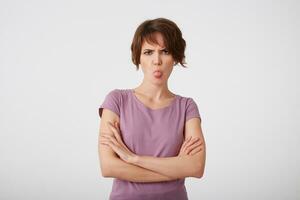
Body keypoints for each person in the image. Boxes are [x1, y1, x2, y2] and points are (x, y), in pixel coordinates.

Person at [98, 17, 206, 200]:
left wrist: (133, 159)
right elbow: (108, 167)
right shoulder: (116, 101)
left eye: (165, 51)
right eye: (148, 52)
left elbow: (196, 167)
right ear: (138, 57)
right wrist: (176, 168)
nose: (157, 60)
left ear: (176, 57)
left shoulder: (187, 106)